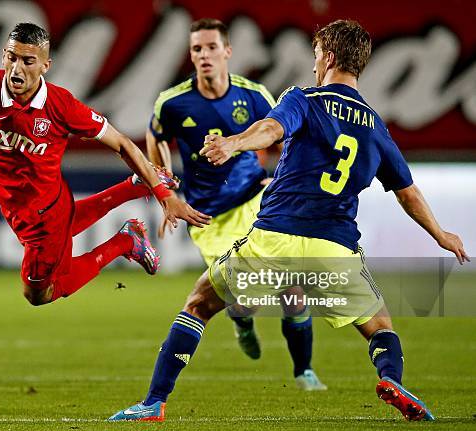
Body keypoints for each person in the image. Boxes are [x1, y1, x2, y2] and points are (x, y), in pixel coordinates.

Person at [109, 19, 469, 422]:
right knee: (380, 326)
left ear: (329, 57)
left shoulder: (305, 98)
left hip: (275, 237)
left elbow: (270, 129)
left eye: (316, 55)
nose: (315, 64)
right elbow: (408, 192)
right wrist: (440, 233)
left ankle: (154, 402)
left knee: (198, 305)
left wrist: (233, 143)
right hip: (334, 247)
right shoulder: (375, 126)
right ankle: (392, 378)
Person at [0, 23, 210, 306]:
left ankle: (124, 242)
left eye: (28, 61)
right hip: (22, 207)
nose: (16, 69)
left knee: (39, 294)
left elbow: (122, 143)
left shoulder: (60, 106)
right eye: (11, 57)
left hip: (44, 215)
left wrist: (165, 196)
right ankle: (132, 189)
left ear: (45, 65)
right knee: (63, 229)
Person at [146, 18, 326, 390]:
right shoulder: (173, 102)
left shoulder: (254, 94)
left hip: (257, 203)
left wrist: (276, 178)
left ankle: (304, 371)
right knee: (242, 300)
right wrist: (165, 188)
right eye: (197, 49)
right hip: (209, 219)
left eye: (212, 47)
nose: (204, 55)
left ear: (227, 51)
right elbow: (155, 135)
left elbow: (284, 138)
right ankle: (243, 320)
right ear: (191, 54)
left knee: (291, 287)